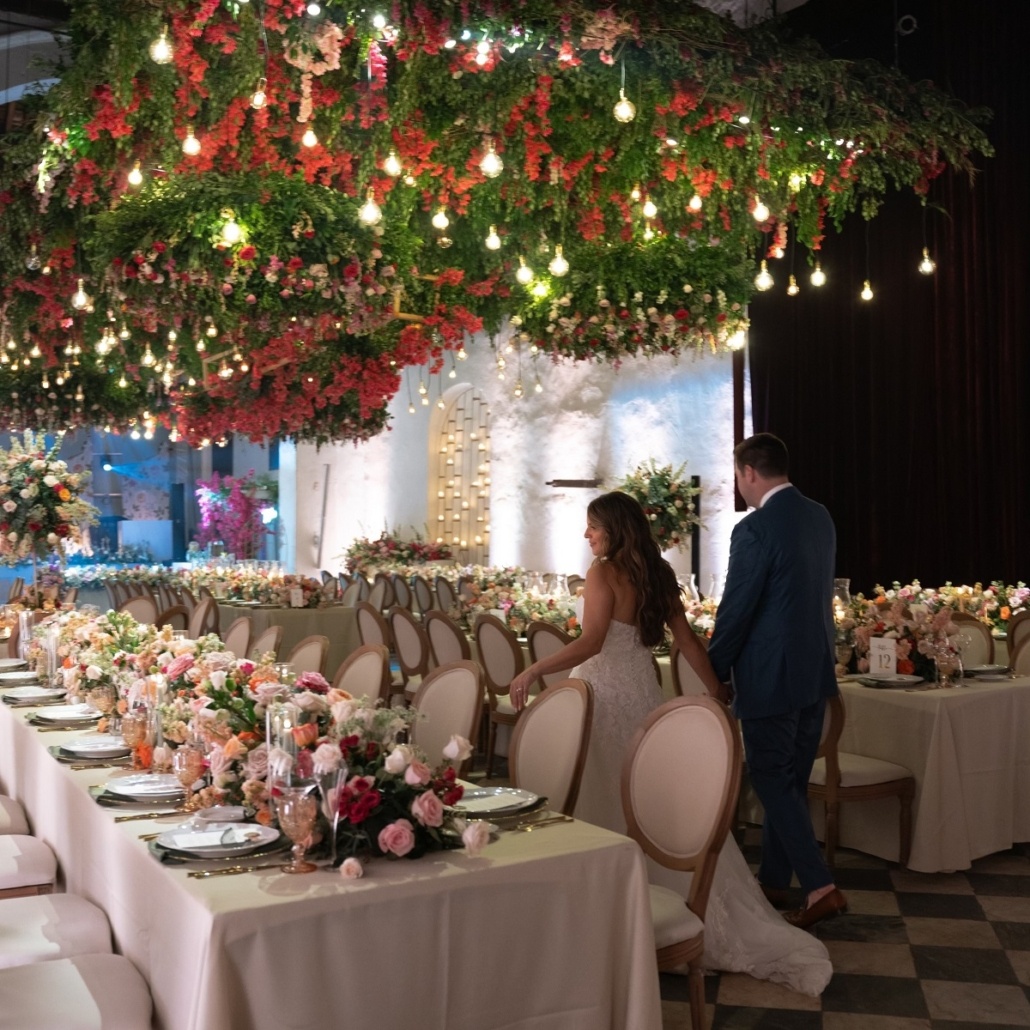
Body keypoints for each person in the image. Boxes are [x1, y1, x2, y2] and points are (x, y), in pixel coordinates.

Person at [509, 490, 832, 995]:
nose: (586, 534)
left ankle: (603, 913)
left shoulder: (602, 572)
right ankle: (667, 905)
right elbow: (687, 641)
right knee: (652, 797)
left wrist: (534, 669)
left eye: (593, 526)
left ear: (614, 529)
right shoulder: (658, 573)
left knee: (600, 795)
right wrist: (716, 687)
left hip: (601, 696)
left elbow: (592, 642)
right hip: (643, 694)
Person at [707, 432, 846, 930]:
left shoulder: (754, 529)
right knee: (790, 782)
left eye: (737, 476)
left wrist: (714, 669)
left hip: (770, 674)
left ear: (748, 472)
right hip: (815, 671)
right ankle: (773, 880)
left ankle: (820, 887)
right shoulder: (820, 516)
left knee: (770, 777)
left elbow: (737, 608)